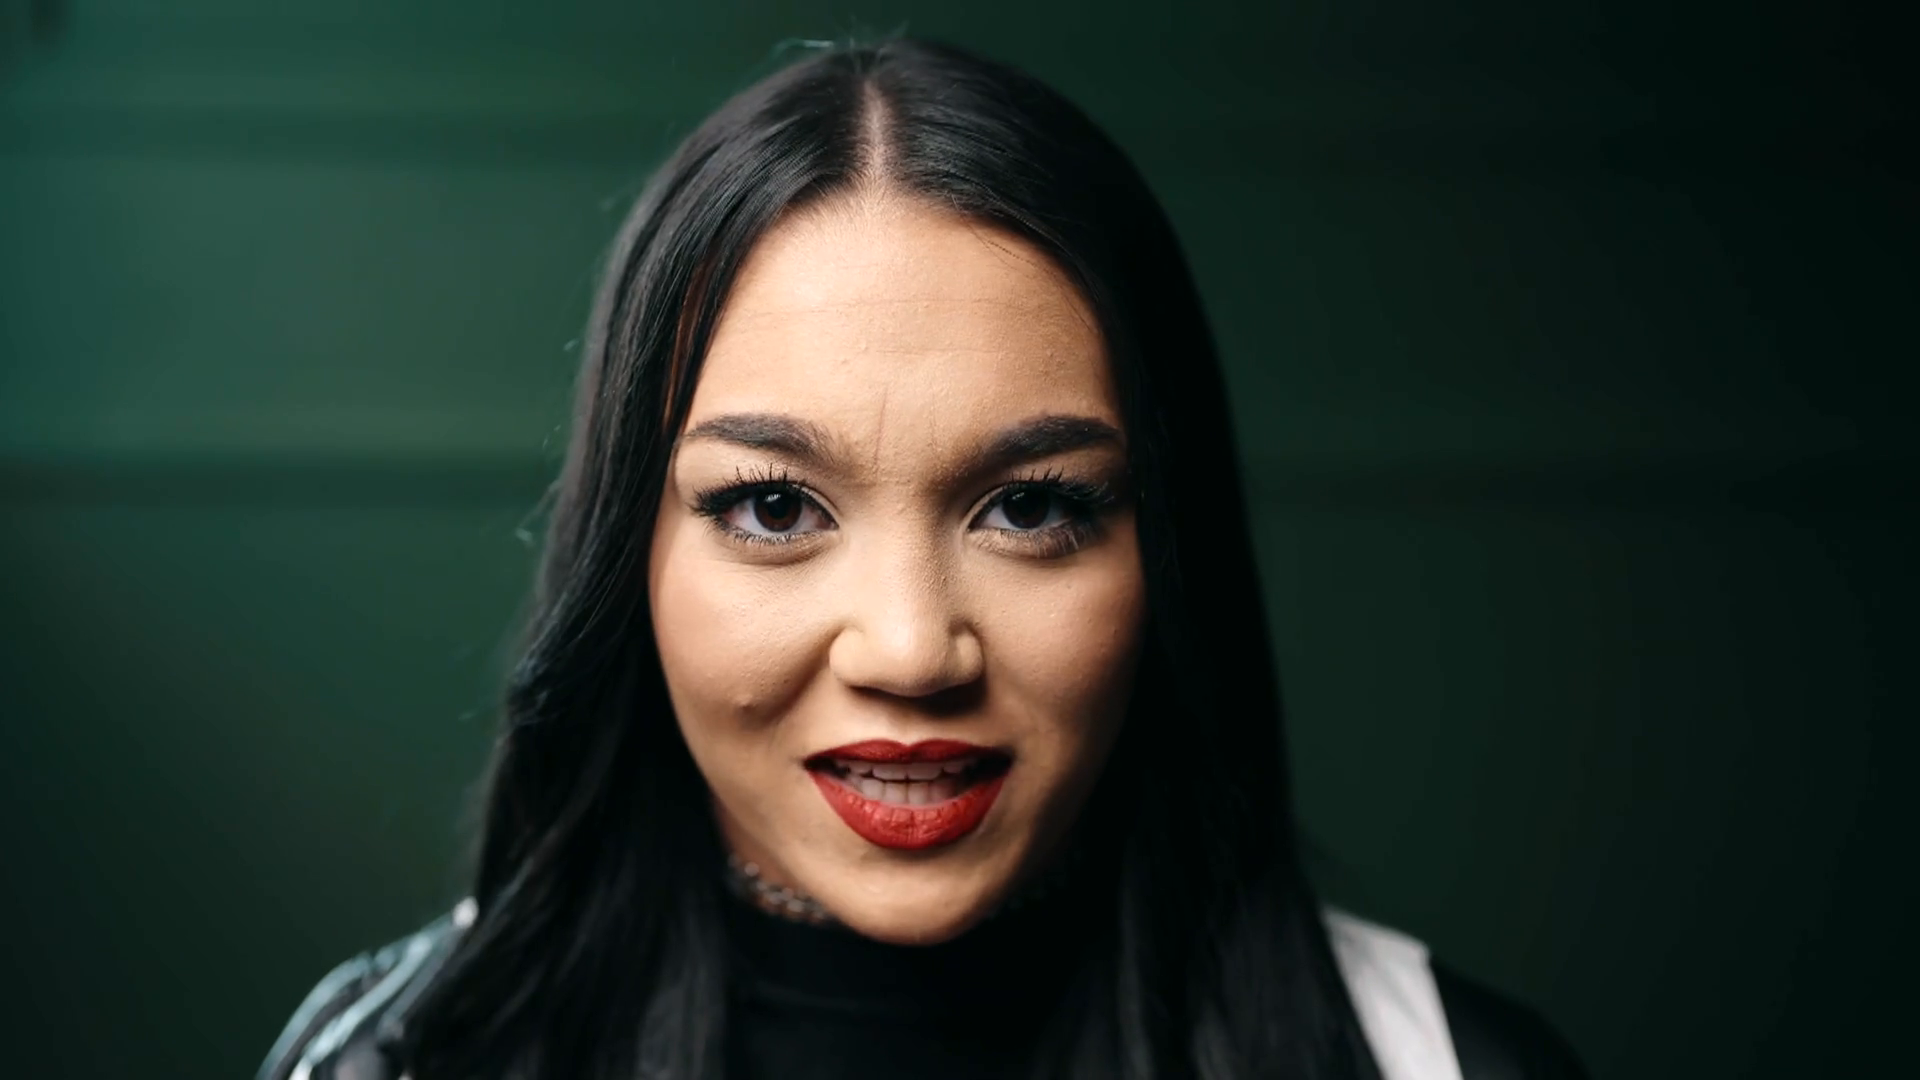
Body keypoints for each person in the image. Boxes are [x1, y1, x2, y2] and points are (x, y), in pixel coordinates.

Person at [258, 38, 1587, 1080]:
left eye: (1031, 508)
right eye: (774, 507)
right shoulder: (395, 1062)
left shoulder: (1444, 1065)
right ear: (627, 553)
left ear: (1166, 549)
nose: (907, 650)